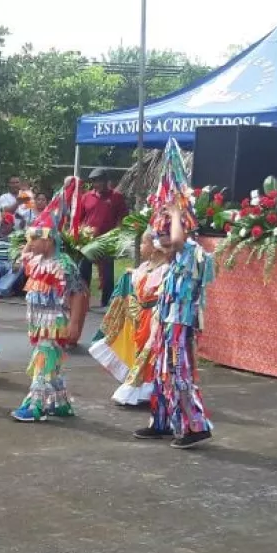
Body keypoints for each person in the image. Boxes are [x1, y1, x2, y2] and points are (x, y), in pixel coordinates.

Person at [135, 139, 215, 449]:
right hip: (166, 323)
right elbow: (161, 242)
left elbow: (179, 241)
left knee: (179, 372)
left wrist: (176, 212)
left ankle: (196, 425)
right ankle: (163, 421)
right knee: (161, 371)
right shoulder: (172, 257)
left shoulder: (192, 250)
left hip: (180, 324)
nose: (162, 237)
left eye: (167, 230)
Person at [11, 180, 83, 423]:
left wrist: (74, 325)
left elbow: (79, 294)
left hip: (56, 322)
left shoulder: (64, 265)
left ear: (50, 240)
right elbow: (24, 256)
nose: (30, 243)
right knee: (51, 361)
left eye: (35, 238)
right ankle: (60, 403)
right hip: (40, 322)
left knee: (43, 360)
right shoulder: (36, 261)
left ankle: (35, 405)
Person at [89, 227, 170, 406]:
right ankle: (142, 391)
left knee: (150, 353)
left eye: (143, 242)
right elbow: (139, 284)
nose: (140, 246)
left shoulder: (165, 270)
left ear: (155, 247)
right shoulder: (145, 267)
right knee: (142, 352)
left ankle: (142, 390)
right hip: (142, 317)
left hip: (154, 317)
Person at [79, 169, 127, 308]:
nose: (96, 184)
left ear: (106, 181)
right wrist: (83, 233)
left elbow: (122, 217)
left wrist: (117, 234)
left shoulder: (116, 197)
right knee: (84, 271)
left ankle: (106, 302)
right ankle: (83, 300)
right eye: (93, 181)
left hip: (107, 240)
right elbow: (81, 218)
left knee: (107, 274)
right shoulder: (86, 197)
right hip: (88, 240)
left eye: (98, 180)